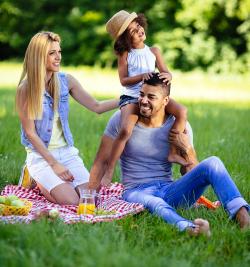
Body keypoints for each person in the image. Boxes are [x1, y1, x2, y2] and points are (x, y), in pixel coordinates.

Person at [89, 73, 250, 235]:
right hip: (136, 191)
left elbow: (189, 171)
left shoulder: (180, 126)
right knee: (155, 202)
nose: (144, 100)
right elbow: (101, 161)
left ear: (165, 101)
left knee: (213, 163)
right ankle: (191, 229)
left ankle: (243, 218)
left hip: (170, 190)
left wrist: (188, 150)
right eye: (142, 94)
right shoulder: (122, 119)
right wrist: (88, 196)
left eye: (151, 97)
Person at [16, 31, 118, 205]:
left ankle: (53, 182)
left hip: (67, 154)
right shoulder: (26, 89)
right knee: (71, 202)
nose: (58, 57)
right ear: (39, 56)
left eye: (59, 52)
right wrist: (54, 165)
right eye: (52, 53)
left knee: (90, 200)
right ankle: (35, 178)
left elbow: (96, 106)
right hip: (42, 157)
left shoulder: (66, 81)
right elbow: (30, 133)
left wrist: (126, 99)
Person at [101, 10, 188, 186]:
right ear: (126, 38)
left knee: (182, 112)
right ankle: (109, 171)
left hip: (153, 96)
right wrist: (142, 76)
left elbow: (165, 71)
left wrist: (168, 76)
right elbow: (123, 80)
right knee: (125, 129)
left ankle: (173, 151)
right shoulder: (125, 54)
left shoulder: (154, 51)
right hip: (132, 96)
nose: (139, 30)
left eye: (138, 25)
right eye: (133, 31)